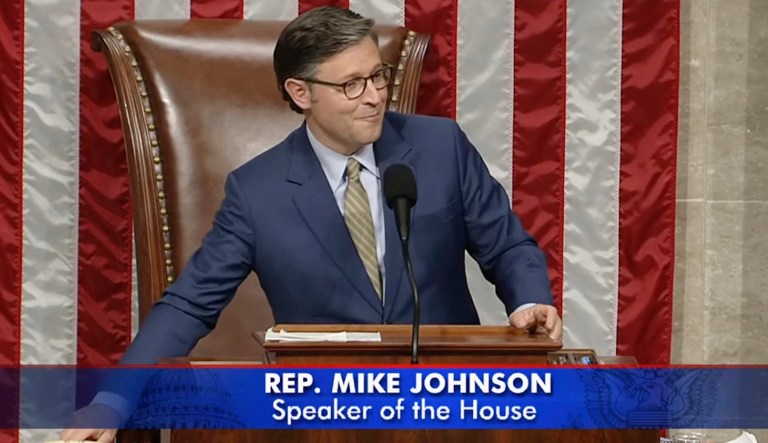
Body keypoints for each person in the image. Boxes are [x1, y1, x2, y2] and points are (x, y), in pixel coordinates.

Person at [62, 5, 562, 441]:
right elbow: (189, 304)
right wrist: (113, 401)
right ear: (301, 92)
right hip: (324, 418)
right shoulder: (257, 193)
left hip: (453, 406)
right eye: (350, 84)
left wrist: (530, 300)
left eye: (378, 75)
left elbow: (508, 247)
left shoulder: (440, 148)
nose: (374, 96)